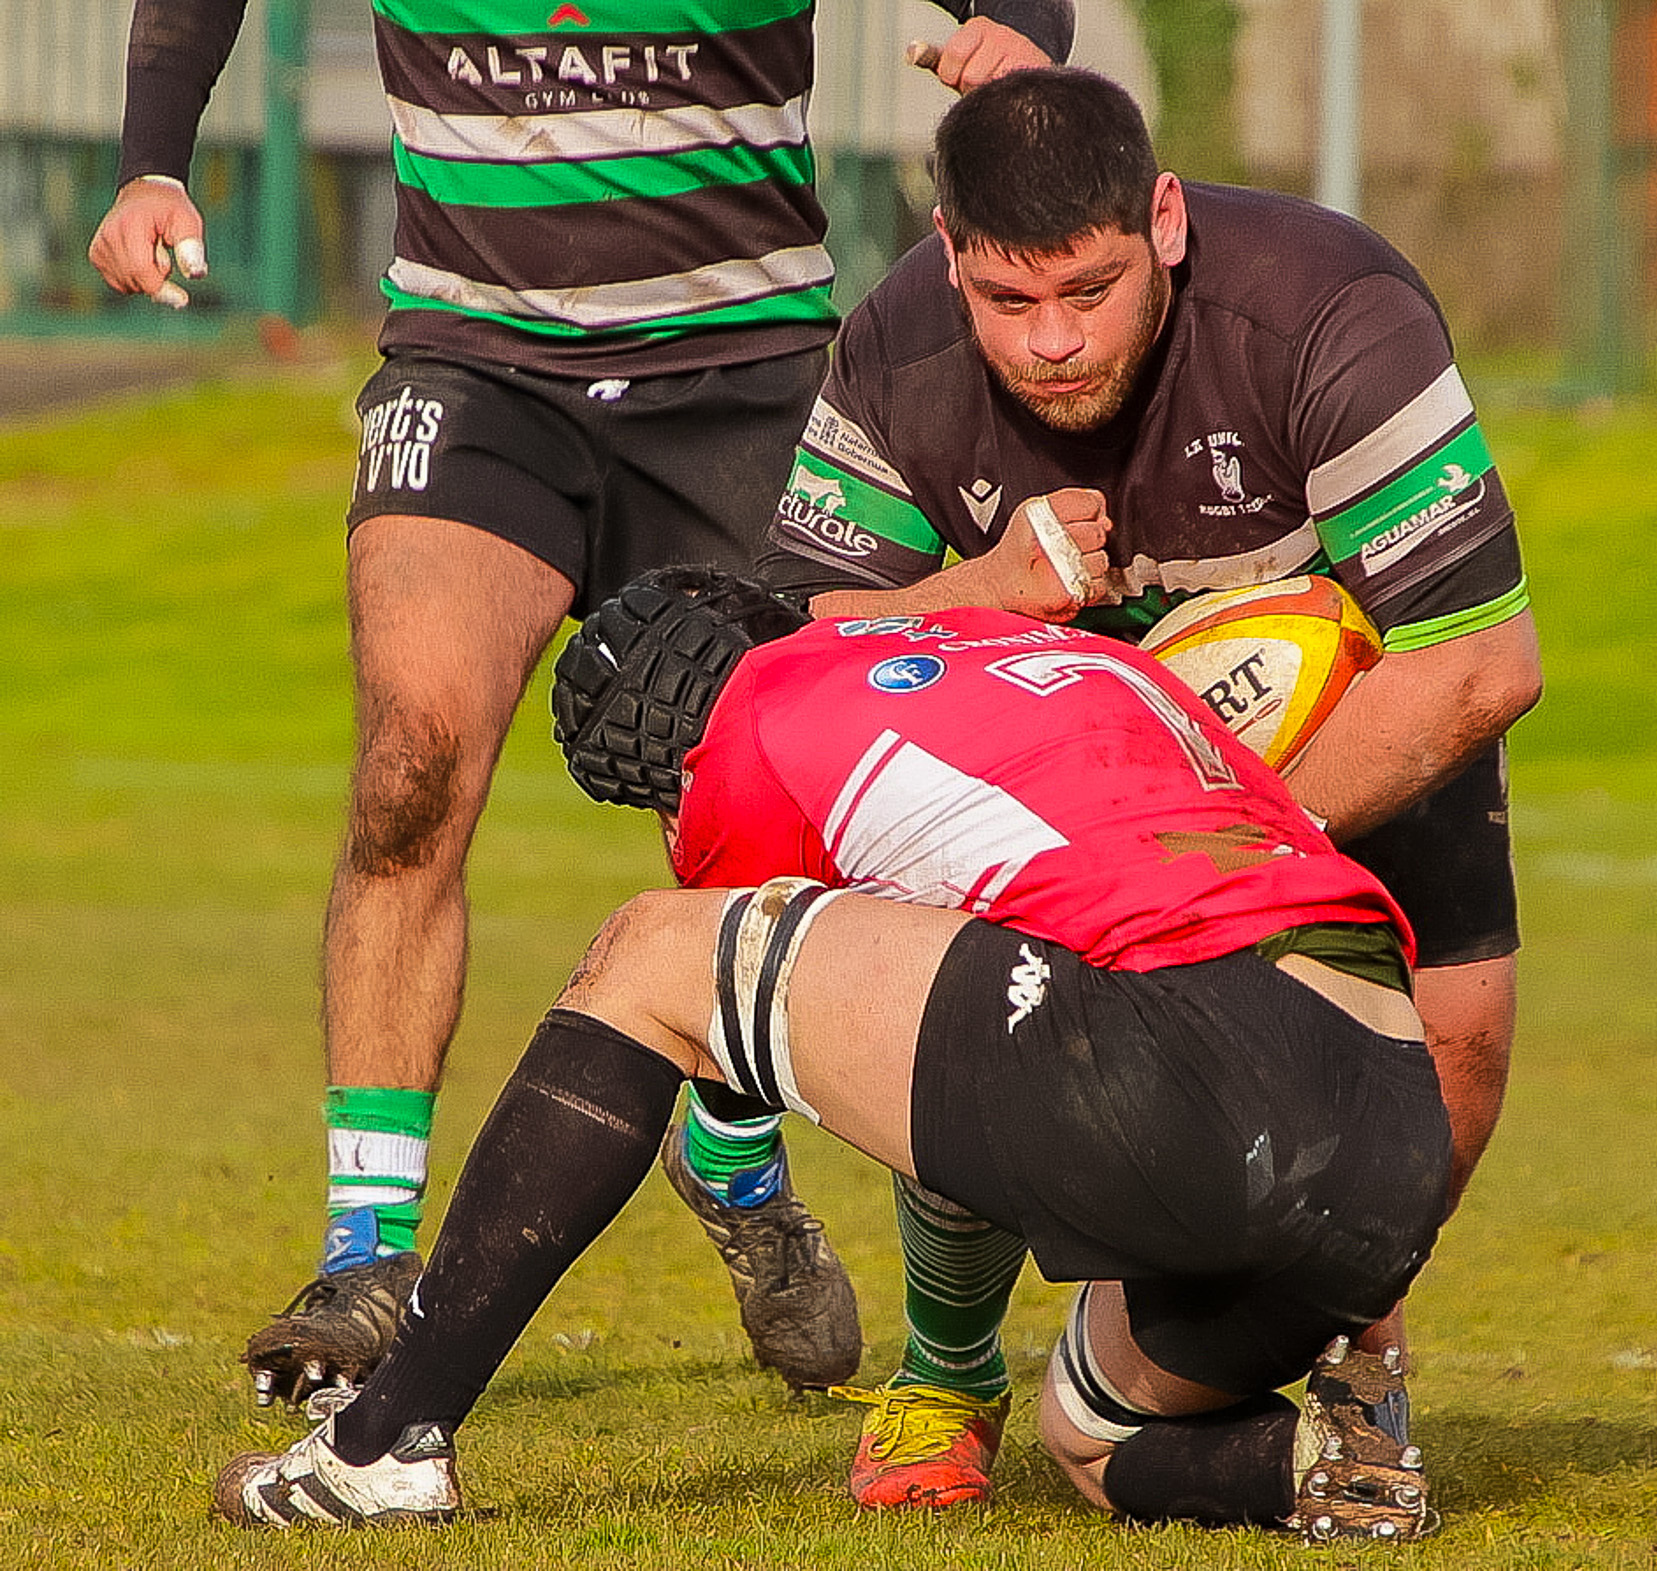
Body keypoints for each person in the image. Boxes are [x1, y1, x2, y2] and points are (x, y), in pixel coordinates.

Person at [87, 0, 1074, 1405]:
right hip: (479, 363)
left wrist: (1022, 34)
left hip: (745, 368)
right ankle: (367, 1249)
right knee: (408, 761)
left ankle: (730, 1145)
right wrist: (151, 159)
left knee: (788, 813)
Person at [214, 565, 1451, 1543]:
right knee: (1091, 1436)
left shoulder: (752, 727)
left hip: (1195, 1061)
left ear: (667, 767)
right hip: (1395, 1135)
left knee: (649, 954)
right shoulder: (1050, 657)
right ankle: (1328, 1452)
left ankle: (384, 1445)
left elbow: (708, 1012)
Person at [703, 65, 1541, 1507]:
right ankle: (948, 1362)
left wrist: (1228, 847)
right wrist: (988, 588)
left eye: (1088, 290)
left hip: (1331, 722)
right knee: (974, 997)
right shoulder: (900, 340)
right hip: (1043, 718)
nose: (1051, 342)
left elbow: (1480, 662)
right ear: (950, 246)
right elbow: (794, 658)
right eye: (1009, 300)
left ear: (1162, 217)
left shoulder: (1328, 308)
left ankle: (1336, 1344)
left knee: (1455, 1037)